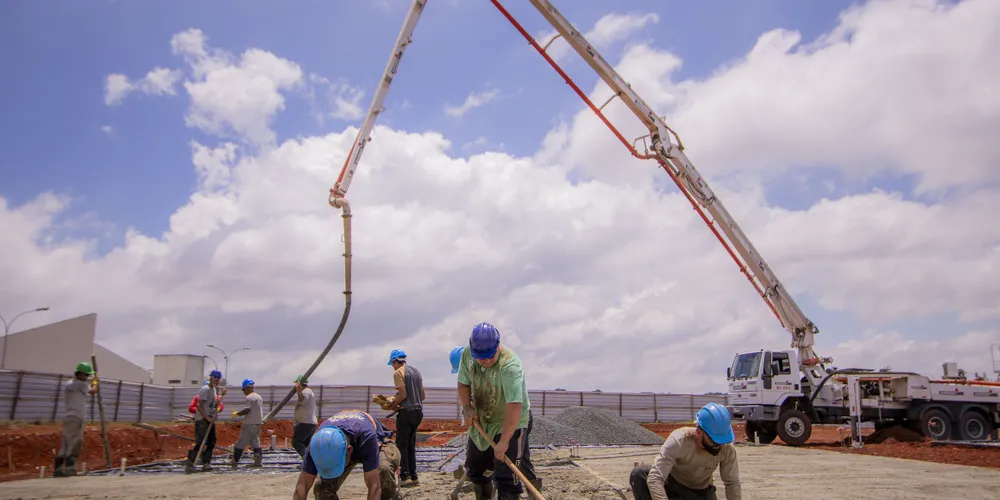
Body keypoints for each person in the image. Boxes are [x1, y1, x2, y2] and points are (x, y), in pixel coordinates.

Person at [456, 322, 532, 500]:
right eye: (481, 357)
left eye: (490, 356)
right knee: (476, 471)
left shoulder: (510, 366)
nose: (487, 361)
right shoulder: (468, 354)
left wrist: (504, 441)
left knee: (507, 478)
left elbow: (514, 405)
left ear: (497, 345)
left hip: (509, 421)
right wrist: (467, 407)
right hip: (482, 420)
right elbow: (463, 383)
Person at [629, 403, 742, 500]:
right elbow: (656, 477)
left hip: (700, 493)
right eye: (714, 440)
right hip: (673, 485)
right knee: (639, 473)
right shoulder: (679, 441)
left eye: (722, 440)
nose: (719, 446)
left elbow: (732, 483)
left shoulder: (726, 448)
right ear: (699, 432)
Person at [293, 409, 403, 500]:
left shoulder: (366, 436)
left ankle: (392, 497)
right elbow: (301, 487)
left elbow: (374, 486)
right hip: (347, 443)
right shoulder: (317, 444)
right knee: (322, 488)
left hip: (380, 442)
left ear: (349, 450)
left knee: (383, 469)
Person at [384, 349, 425, 487]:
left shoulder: (398, 373)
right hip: (418, 412)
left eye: (392, 364)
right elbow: (422, 396)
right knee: (411, 445)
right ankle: (414, 476)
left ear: (395, 361)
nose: (392, 367)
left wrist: (392, 404)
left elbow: (403, 395)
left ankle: (405, 476)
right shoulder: (416, 372)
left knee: (401, 445)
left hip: (406, 413)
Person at [53, 362, 97, 477]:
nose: (87, 378)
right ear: (80, 374)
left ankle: (58, 470)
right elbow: (92, 391)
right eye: (86, 375)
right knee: (75, 443)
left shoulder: (69, 384)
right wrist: (95, 383)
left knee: (65, 444)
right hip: (76, 418)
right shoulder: (81, 384)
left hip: (68, 417)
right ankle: (70, 470)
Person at [185, 369, 226, 473]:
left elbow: (214, 404)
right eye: (215, 378)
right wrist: (206, 417)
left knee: (211, 441)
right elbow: (199, 405)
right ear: (211, 377)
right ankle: (190, 464)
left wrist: (222, 396)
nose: (217, 380)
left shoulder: (213, 390)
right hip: (202, 420)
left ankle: (206, 463)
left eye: (218, 378)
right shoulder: (206, 389)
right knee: (200, 443)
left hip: (210, 419)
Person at [231, 378, 264, 469]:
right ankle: (258, 461)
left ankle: (235, 461)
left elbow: (247, 409)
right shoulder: (259, 397)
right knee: (255, 442)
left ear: (248, 388)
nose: (244, 392)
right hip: (258, 423)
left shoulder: (249, 397)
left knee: (241, 442)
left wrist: (237, 414)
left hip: (249, 423)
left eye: (244, 390)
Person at [293, 374, 318, 458]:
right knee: (306, 444)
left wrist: (298, 390)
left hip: (305, 422)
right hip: (309, 422)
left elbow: (303, 400)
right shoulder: (308, 391)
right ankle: (310, 462)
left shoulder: (306, 391)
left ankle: (306, 461)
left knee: (297, 442)